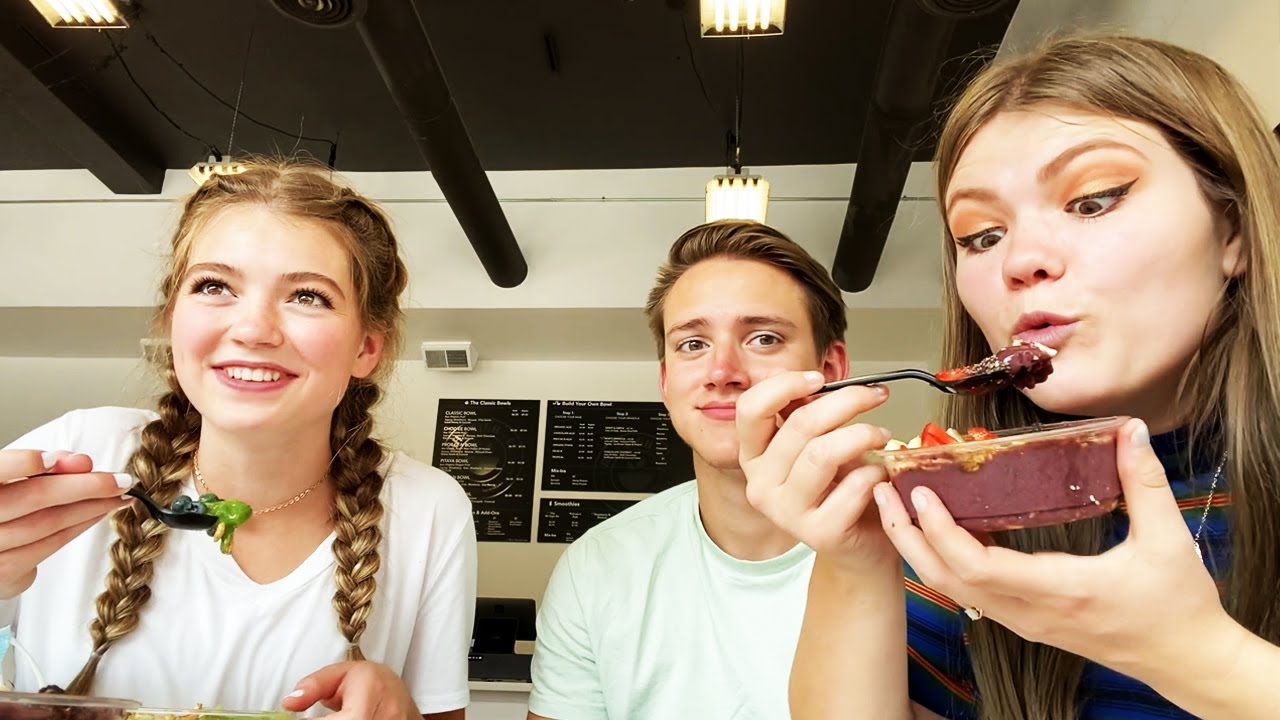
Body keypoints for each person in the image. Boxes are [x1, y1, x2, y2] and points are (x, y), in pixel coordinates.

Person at [736, 33, 1280, 719]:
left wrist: (1194, 655)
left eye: (1092, 200)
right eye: (981, 237)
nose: (1020, 260)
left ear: (1231, 229)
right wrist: (854, 559)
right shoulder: (967, 526)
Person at [0, 160, 477, 718]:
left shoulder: (428, 509)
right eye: (215, 286)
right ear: (172, 319)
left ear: (367, 348)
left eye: (308, 296)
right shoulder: (84, 452)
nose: (253, 329)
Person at [526, 220, 883, 719]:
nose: (722, 373)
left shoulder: (917, 548)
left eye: (763, 338)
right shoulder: (596, 567)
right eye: (692, 344)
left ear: (829, 371)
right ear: (666, 379)